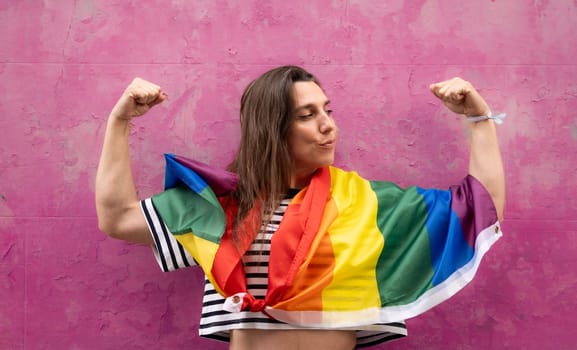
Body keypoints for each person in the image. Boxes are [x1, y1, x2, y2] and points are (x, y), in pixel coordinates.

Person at [96, 65, 505, 350]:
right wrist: (120, 120)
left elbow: (482, 208)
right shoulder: (221, 208)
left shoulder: (370, 208)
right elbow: (117, 218)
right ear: (272, 129)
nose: (329, 125)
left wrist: (477, 118)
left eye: (327, 110)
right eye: (308, 115)